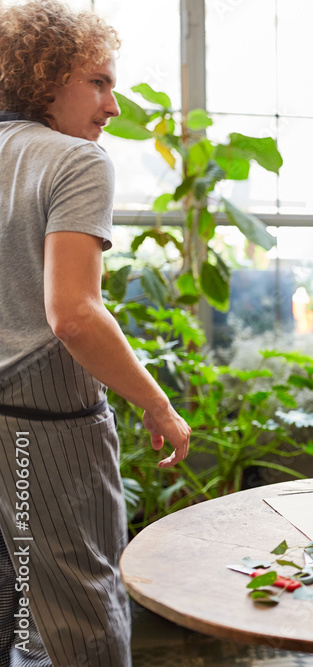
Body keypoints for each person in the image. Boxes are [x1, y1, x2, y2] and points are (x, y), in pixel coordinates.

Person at [0, 2, 191, 664]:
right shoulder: (74, 162)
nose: (113, 107)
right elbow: (74, 313)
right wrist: (156, 402)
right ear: (44, 76)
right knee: (84, 620)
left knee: (15, 621)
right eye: (99, 82)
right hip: (46, 430)